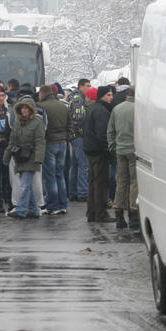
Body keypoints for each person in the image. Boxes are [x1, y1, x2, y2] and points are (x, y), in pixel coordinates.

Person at [4, 96, 45, 219]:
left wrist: (39, 158)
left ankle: (21, 210)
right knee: (27, 185)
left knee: (25, 184)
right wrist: (7, 155)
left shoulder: (37, 122)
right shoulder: (17, 122)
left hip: (32, 157)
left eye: (27, 108)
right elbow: (12, 141)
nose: (24, 110)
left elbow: (40, 141)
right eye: (22, 108)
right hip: (20, 157)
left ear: (31, 109)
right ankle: (34, 210)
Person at [83, 85, 115, 222]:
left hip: (90, 150)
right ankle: (101, 213)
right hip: (99, 151)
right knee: (101, 183)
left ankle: (92, 212)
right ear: (102, 96)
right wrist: (109, 152)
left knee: (93, 183)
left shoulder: (92, 109)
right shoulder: (102, 111)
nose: (111, 97)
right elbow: (102, 134)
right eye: (108, 95)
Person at [108, 85, 138, 229]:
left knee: (121, 182)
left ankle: (119, 214)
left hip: (120, 150)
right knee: (134, 183)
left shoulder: (117, 109)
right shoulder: (138, 110)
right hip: (134, 151)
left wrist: (113, 147)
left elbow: (110, 131)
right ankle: (133, 215)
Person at [37, 83, 70, 215]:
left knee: (50, 176)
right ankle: (63, 204)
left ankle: (53, 205)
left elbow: (41, 127)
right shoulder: (63, 106)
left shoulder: (42, 107)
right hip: (62, 142)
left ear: (41, 94)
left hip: (49, 143)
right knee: (60, 174)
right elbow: (70, 124)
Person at [66, 78, 91, 201]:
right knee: (83, 165)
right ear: (80, 87)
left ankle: (73, 192)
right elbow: (78, 119)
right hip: (79, 137)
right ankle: (82, 192)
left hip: (73, 137)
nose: (89, 87)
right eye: (87, 85)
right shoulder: (79, 100)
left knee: (75, 165)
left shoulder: (72, 98)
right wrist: (82, 133)